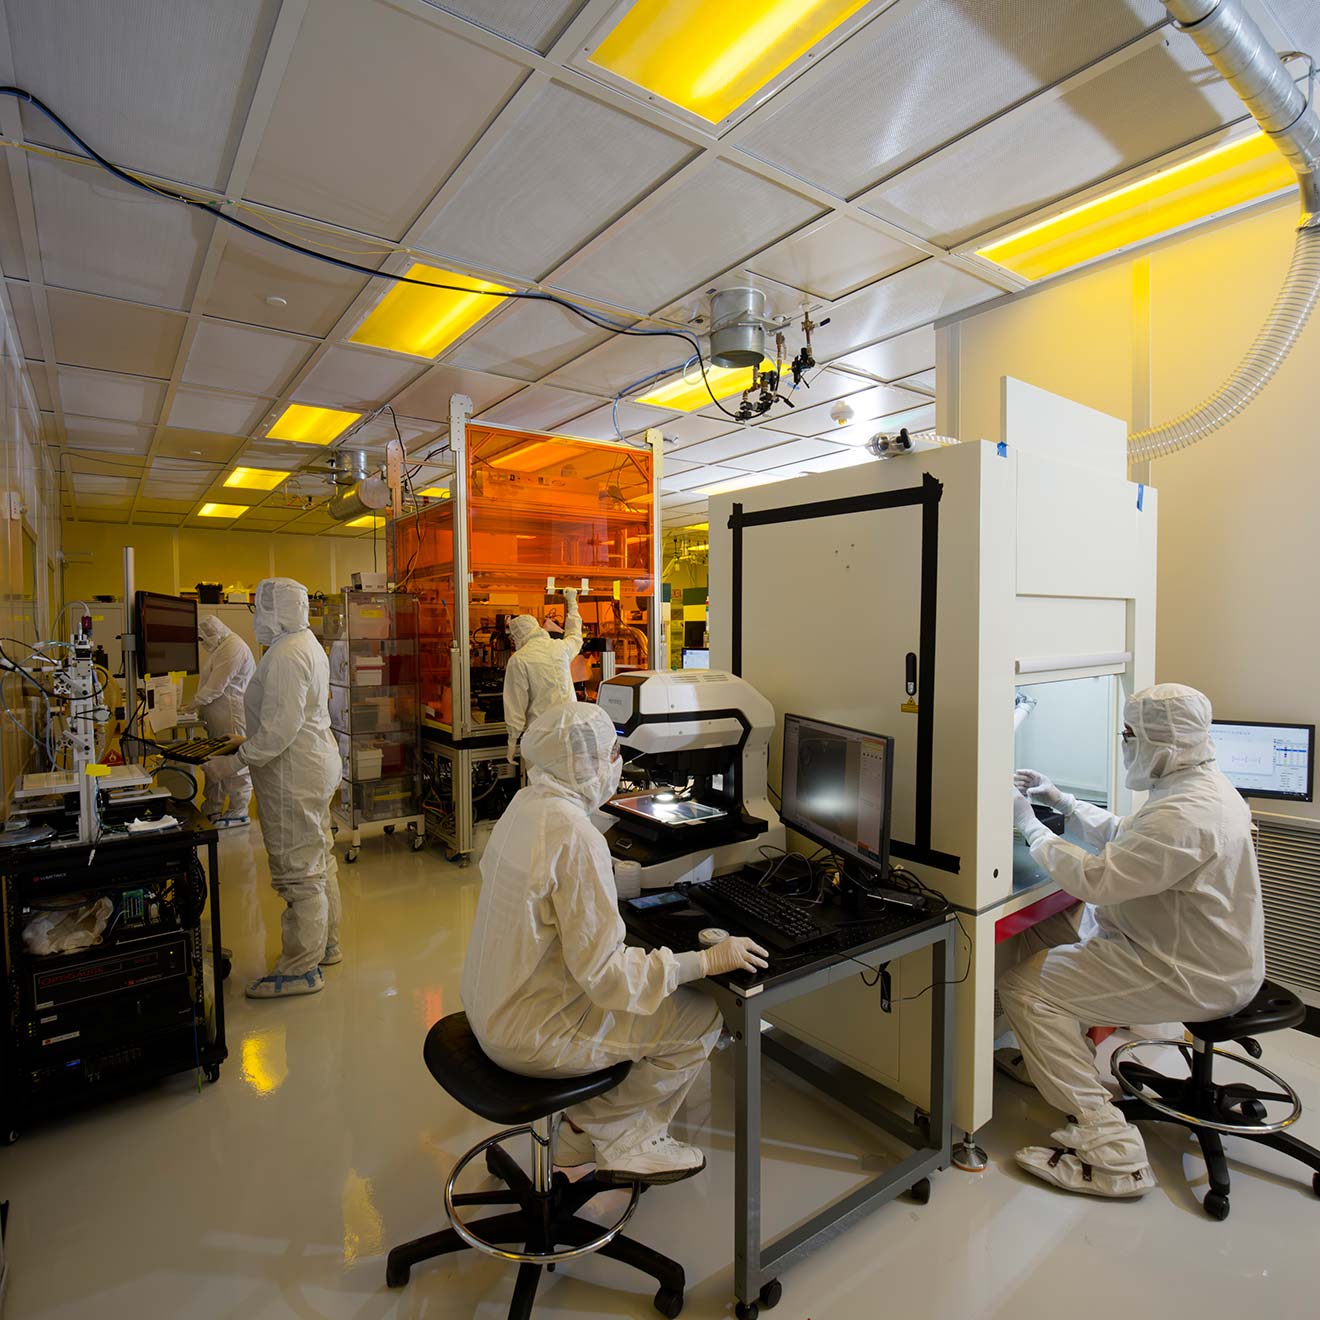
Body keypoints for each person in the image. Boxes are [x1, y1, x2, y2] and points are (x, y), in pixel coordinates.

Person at [462, 702, 767, 1185]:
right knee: (700, 1017)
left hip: (491, 1005)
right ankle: (621, 1138)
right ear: (581, 762)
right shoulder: (575, 838)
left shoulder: (525, 805)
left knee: (659, 1001)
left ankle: (583, 1129)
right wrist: (704, 961)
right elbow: (609, 979)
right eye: (610, 754)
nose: (616, 764)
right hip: (533, 1036)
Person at [1002, 683, 1263, 1198]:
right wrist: (1063, 802)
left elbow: (1098, 880)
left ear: (1163, 742)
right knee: (1047, 938)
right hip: (1200, 956)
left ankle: (1113, 1153)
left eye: (1130, 734)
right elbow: (1134, 837)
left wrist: (1030, 826)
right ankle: (1057, 1062)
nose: (1124, 742)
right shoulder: (1198, 788)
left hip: (1187, 973)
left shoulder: (1186, 812)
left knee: (1023, 988)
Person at [205, 578, 343, 1000]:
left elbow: (281, 730)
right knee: (319, 858)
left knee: (300, 872)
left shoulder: (285, 654)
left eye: (261, 608)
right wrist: (245, 741)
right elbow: (291, 715)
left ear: (276, 610)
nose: (257, 618)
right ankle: (326, 945)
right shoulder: (304, 642)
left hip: (293, 773)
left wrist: (235, 761)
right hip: (312, 762)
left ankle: (301, 968)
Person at [503, 588, 583, 763]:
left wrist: (512, 741)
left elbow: (515, 705)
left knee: (541, 778)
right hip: (570, 730)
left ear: (517, 636)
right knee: (567, 775)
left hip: (542, 734)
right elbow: (576, 636)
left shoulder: (519, 659)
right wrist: (572, 603)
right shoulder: (559, 647)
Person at [194, 615, 255, 827]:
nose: (202, 643)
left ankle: (239, 810)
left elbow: (215, 686)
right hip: (219, 716)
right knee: (215, 760)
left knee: (235, 762)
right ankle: (213, 806)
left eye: (203, 638)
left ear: (214, 632)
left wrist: (193, 704)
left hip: (232, 714)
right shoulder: (221, 648)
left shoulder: (233, 647)